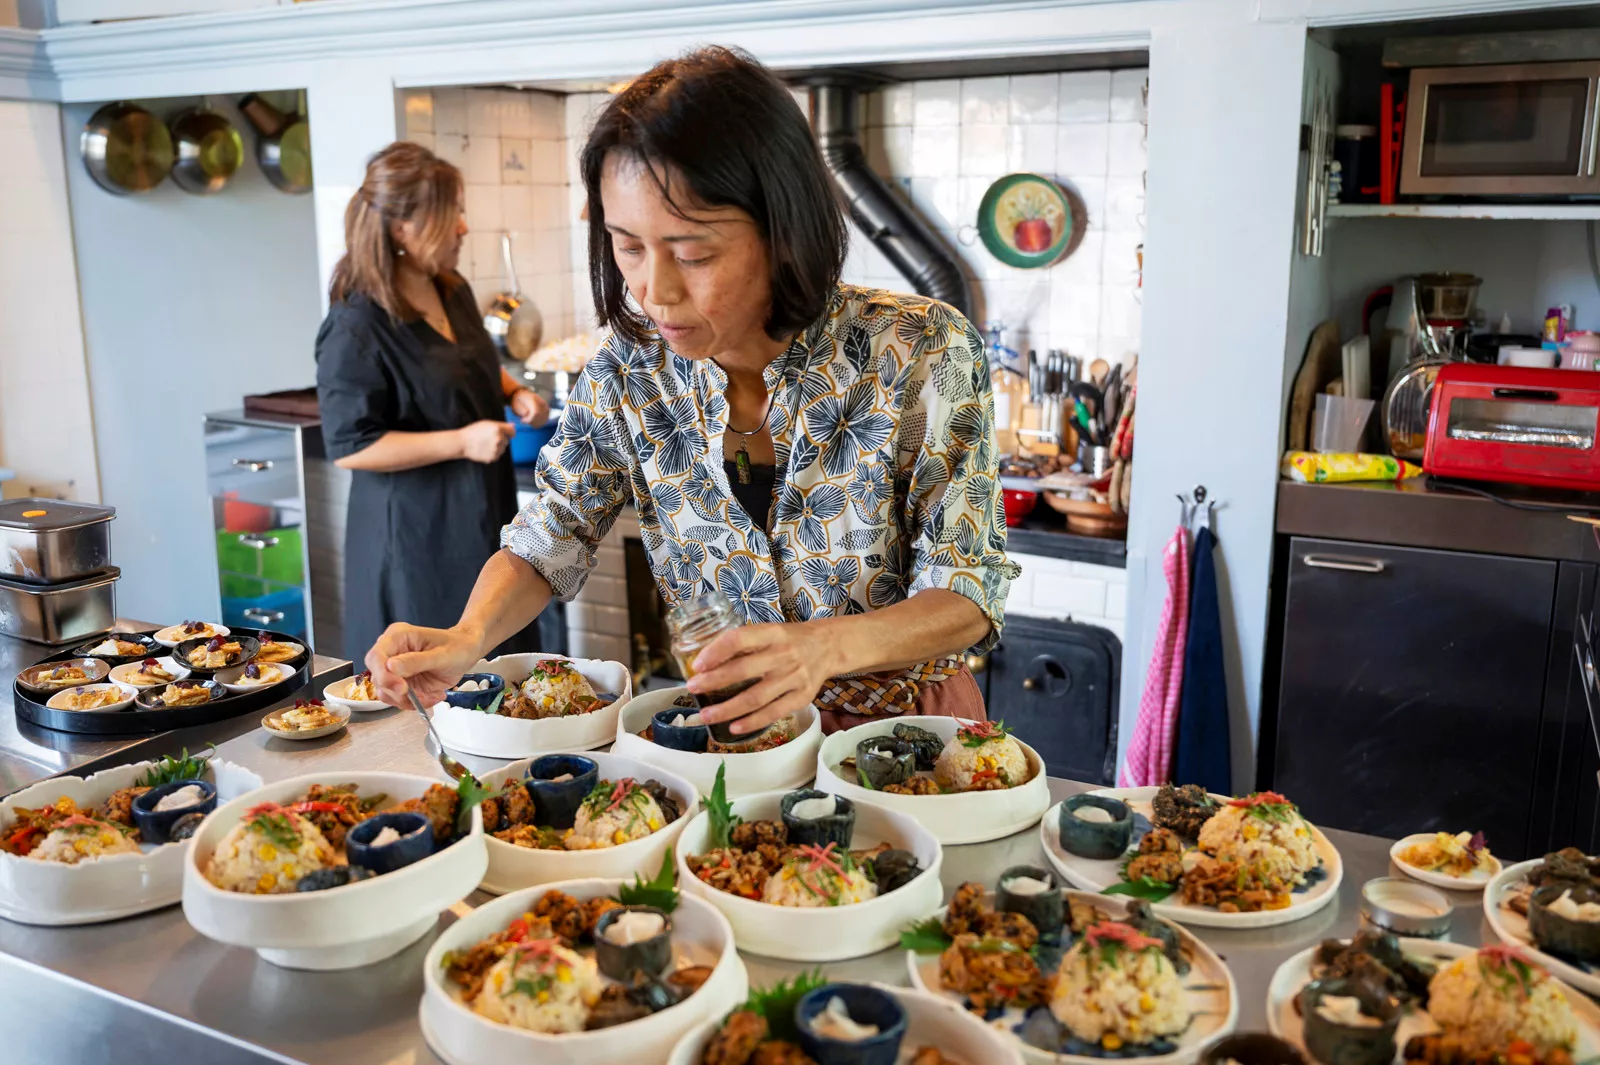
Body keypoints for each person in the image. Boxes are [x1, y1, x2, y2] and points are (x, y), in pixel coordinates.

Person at [365, 47, 1017, 736]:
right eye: (628, 246)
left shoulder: (918, 349)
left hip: (904, 743)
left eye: (693, 253)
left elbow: (969, 585)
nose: (654, 291)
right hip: (731, 734)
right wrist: (469, 635)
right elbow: (550, 534)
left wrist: (824, 648)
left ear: (783, 230)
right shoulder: (628, 371)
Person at [315, 142, 549, 662]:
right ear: (402, 229)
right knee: (435, 680)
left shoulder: (453, 289)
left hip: (484, 516)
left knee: (504, 662)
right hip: (417, 541)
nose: (464, 227)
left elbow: (468, 366)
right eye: (452, 214)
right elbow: (351, 445)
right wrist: (462, 442)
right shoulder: (356, 327)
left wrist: (515, 393)